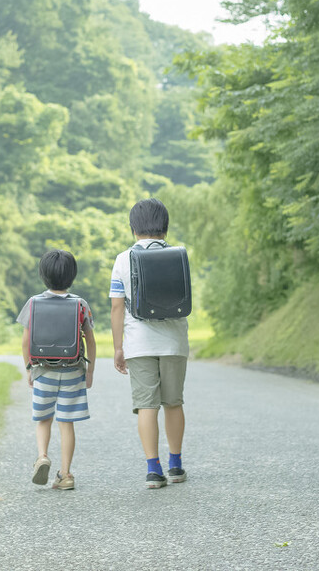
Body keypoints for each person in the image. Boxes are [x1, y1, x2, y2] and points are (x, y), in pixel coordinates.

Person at [109, 197, 189, 489]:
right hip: (174, 342)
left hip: (138, 343)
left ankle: (153, 470)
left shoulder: (123, 259)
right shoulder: (180, 255)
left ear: (133, 228)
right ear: (165, 227)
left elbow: (117, 308)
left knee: (146, 406)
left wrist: (118, 347)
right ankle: (176, 464)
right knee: (173, 403)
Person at [17, 248, 96, 490]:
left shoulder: (33, 303)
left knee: (43, 419)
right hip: (72, 371)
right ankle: (66, 475)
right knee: (66, 423)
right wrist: (89, 372)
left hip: (43, 371)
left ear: (43, 275)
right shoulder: (80, 304)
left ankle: (42, 456)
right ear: (72, 276)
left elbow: (25, 341)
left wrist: (29, 368)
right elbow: (91, 341)